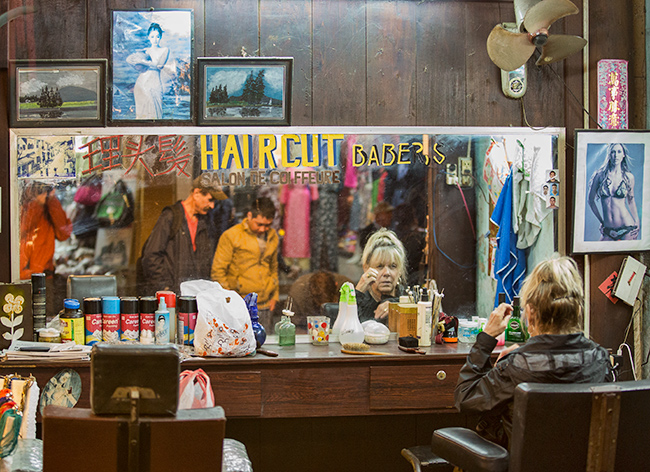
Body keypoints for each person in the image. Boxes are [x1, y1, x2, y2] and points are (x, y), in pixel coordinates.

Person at [454, 256, 612, 448]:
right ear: (578, 311)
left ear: (530, 312)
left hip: (525, 461)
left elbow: (465, 397)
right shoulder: (600, 359)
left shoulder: (517, 365)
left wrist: (486, 339)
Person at [140, 175, 225, 295]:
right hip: (172, 294)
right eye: (210, 200)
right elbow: (151, 256)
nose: (212, 206)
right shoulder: (171, 216)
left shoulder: (206, 222)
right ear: (196, 193)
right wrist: (164, 287)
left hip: (194, 296)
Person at [211, 197, 279, 327]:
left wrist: (275, 296)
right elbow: (218, 271)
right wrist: (230, 301)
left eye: (267, 225)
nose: (263, 229)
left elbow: (273, 267)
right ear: (249, 216)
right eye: (259, 224)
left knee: (264, 338)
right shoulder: (231, 235)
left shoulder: (272, 236)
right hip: (240, 303)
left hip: (265, 304)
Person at [587, 143, 640, 241]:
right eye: (613, 152)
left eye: (619, 152)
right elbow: (590, 200)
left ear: (623, 155)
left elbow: (631, 200)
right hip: (608, 229)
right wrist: (601, 221)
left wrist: (637, 220)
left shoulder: (628, 177)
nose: (616, 155)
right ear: (609, 154)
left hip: (627, 227)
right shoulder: (599, 176)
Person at [19, 182, 72, 280]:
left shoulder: (50, 206)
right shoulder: (22, 202)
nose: (42, 190)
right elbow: (21, 230)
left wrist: (52, 200)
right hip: (23, 275)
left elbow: (63, 234)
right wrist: (36, 203)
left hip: (45, 275)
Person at [355, 228, 407, 324]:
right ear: (366, 268)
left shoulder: (410, 298)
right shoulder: (361, 302)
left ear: (400, 271)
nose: (386, 273)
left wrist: (395, 306)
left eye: (393, 266)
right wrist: (358, 292)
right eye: (380, 266)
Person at [126, 22, 169, 119]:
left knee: (156, 113)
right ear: (148, 37)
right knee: (141, 114)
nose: (155, 39)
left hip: (154, 83)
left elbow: (159, 66)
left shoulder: (164, 50)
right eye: (152, 36)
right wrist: (137, 64)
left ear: (161, 37)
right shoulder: (145, 51)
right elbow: (129, 60)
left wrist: (143, 62)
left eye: (157, 36)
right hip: (141, 83)